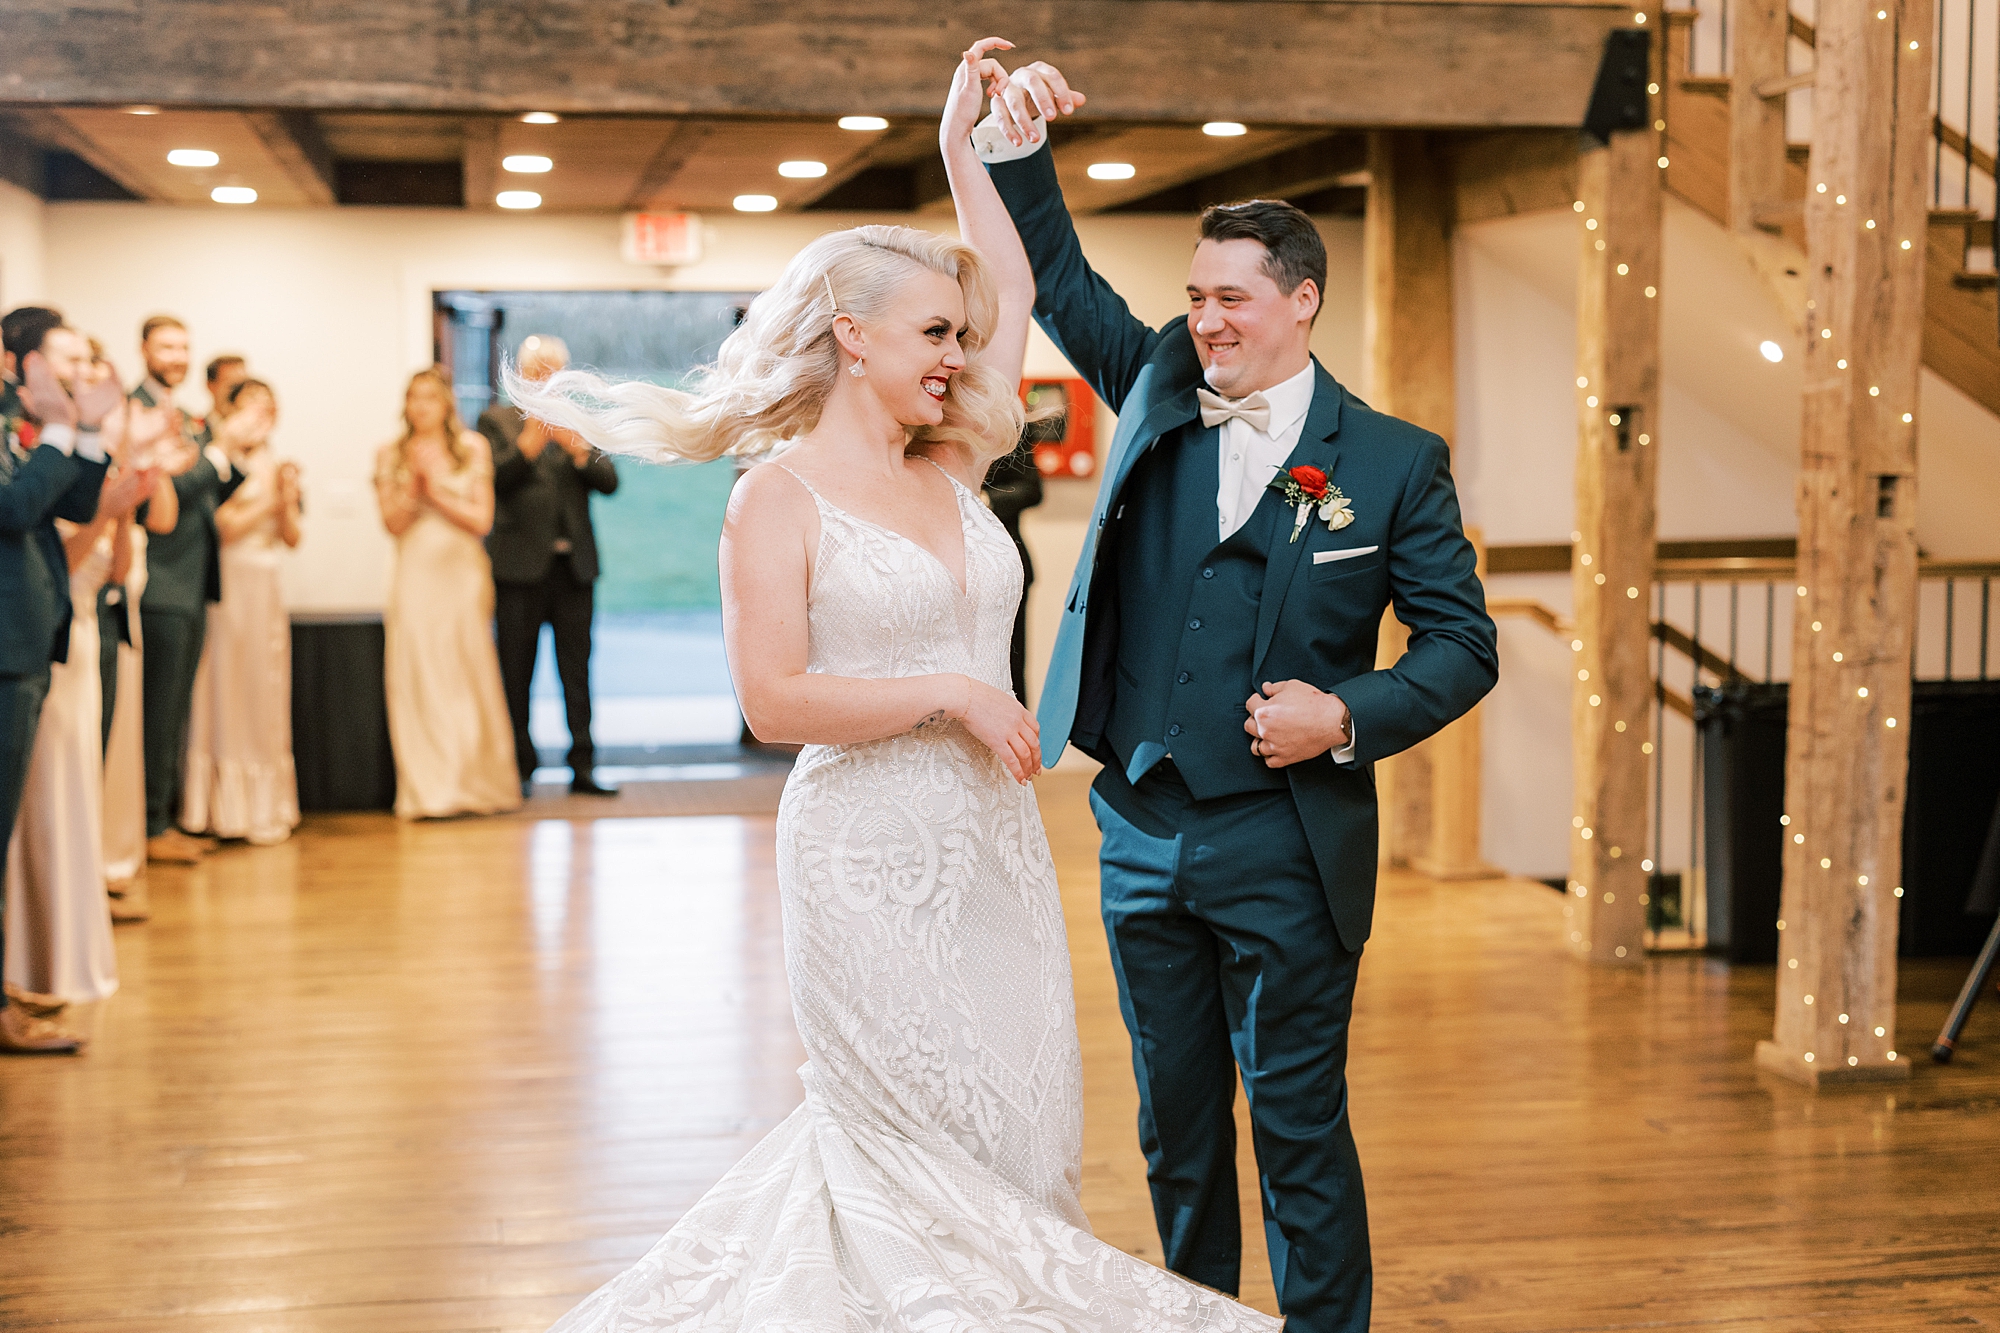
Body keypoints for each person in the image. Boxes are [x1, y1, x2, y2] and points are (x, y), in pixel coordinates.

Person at [503, 48, 1276, 1333]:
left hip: (990, 849)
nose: (957, 356)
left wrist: (965, 143)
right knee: (899, 1138)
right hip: (862, 854)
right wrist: (947, 695)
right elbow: (771, 701)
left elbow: (1012, 283)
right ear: (849, 338)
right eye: (931, 334)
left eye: (958, 340)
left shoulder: (955, 456)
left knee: (1015, 1119)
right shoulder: (775, 497)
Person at [966, 48, 1499, 1333]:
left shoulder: (1387, 460)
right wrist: (1009, 143)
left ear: (1300, 302)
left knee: (1299, 1126)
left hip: (1289, 843)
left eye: (1232, 301)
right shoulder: (1151, 378)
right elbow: (1059, 274)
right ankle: (1194, 1318)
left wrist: (1344, 717)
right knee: (1175, 1126)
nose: (1204, 320)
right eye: (1196, 296)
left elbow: (1461, 644)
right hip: (1141, 827)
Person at [1, 307, 154, 1053]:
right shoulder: (16, 428)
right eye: (58, 361)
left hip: (29, 644)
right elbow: (18, 505)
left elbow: (74, 502)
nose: (70, 375)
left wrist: (89, 433)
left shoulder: (23, 425)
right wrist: (65, 432)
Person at [374, 367, 521, 819]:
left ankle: (476, 783)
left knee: (465, 671)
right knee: (419, 673)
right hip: (416, 574)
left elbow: (481, 521)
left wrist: (433, 493)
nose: (422, 406)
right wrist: (411, 489)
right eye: (414, 397)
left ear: (446, 404)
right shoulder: (390, 453)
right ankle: (430, 789)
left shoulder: (471, 448)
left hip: (461, 576)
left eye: (431, 398)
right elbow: (392, 525)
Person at [477, 336, 621, 798]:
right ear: (520, 373)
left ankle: (583, 766)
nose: (545, 379)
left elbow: (610, 481)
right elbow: (494, 480)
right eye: (537, 370)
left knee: (576, 672)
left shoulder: (577, 420)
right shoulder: (494, 420)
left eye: (553, 370)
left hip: (573, 570)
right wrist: (527, 447)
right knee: (516, 672)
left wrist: (578, 450)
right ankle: (519, 766)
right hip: (519, 570)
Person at [133, 315, 244, 866]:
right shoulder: (133, 410)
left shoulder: (190, 418)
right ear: (144, 350)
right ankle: (150, 825)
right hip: (160, 581)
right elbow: (163, 495)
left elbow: (206, 491)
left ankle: (164, 818)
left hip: (196, 581)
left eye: (183, 347)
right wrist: (218, 455)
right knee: (157, 712)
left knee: (174, 711)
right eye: (166, 346)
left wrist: (230, 459)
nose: (176, 356)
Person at [181, 379, 302, 844]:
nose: (261, 417)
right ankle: (222, 808)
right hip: (230, 581)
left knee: (266, 688)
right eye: (252, 407)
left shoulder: (276, 463)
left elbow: (291, 538)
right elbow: (223, 529)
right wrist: (269, 500)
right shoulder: (217, 461)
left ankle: (269, 804)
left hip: (267, 582)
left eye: (269, 408)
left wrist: (287, 500)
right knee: (228, 686)